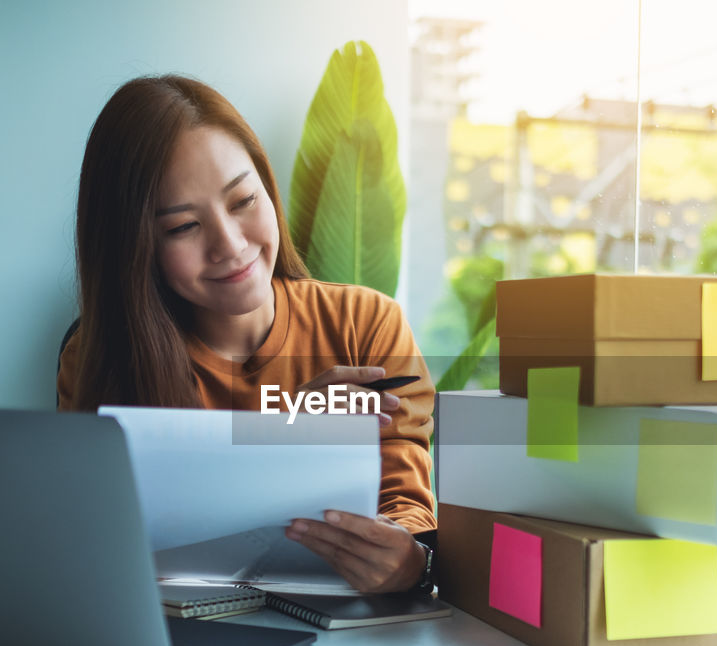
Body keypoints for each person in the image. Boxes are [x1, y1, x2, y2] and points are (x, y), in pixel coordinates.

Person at [57, 75, 435, 594]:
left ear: (267, 186)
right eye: (183, 227)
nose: (230, 246)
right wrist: (280, 436)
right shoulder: (96, 356)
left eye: (242, 201)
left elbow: (408, 512)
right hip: (176, 639)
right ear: (133, 245)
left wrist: (409, 562)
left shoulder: (366, 325)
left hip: (346, 643)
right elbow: (90, 542)